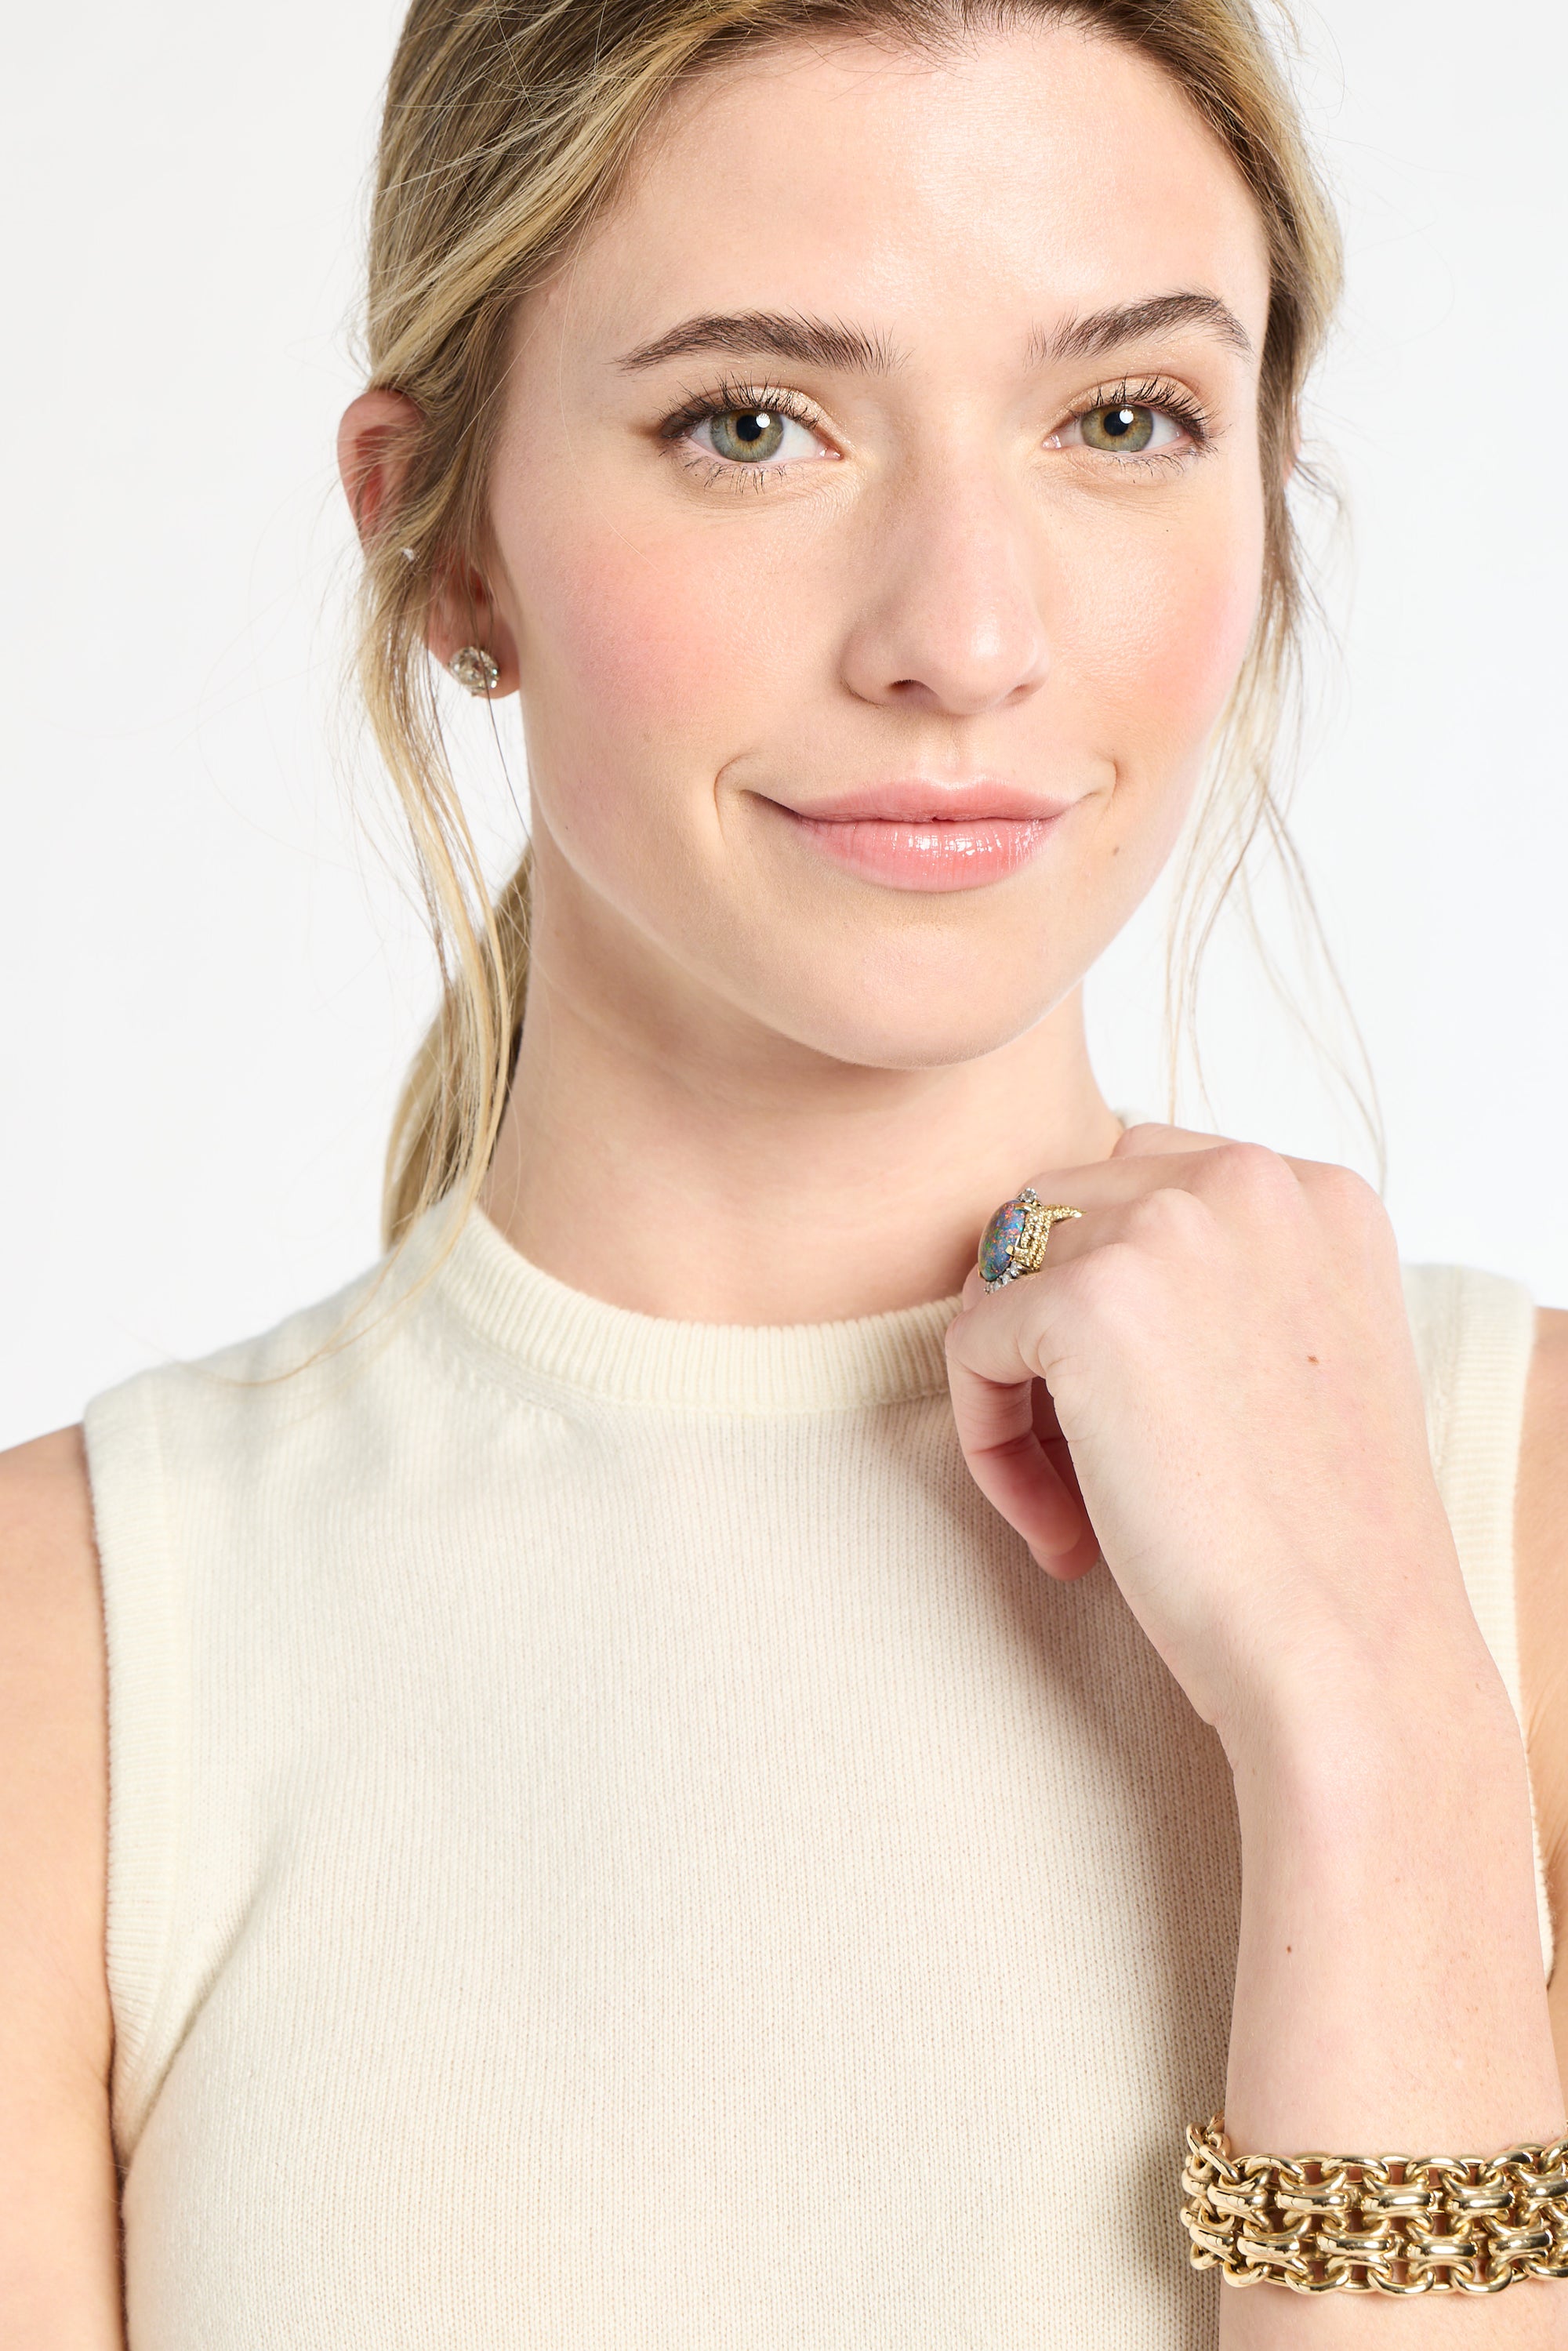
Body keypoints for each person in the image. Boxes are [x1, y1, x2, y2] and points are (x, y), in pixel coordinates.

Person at [3, 0, 1566, 2342]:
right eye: (754, 423)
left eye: (1122, 419)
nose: (966, 633)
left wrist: (1368, 1716)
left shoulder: (1515, 1524)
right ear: (446, 549)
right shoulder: (78, 1666)